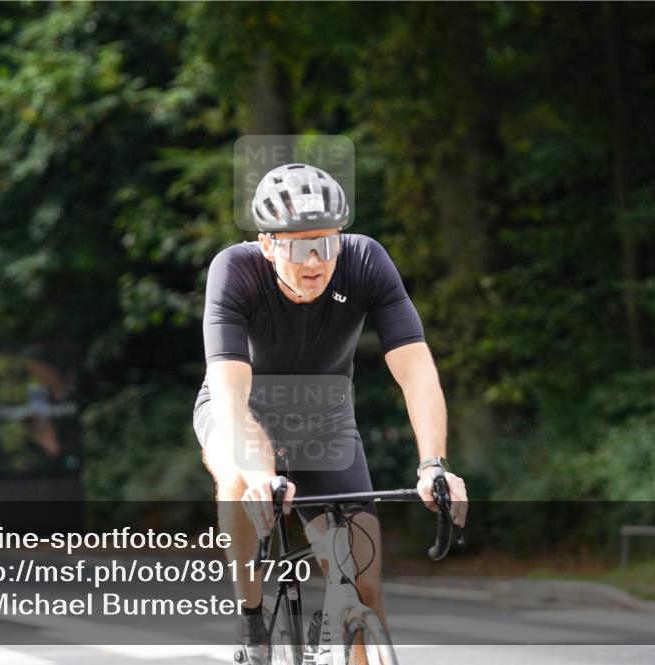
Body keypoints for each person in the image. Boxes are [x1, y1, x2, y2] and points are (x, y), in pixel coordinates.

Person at [193, 163, 468, 665]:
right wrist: (261, 476)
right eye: (299, 245)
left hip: (324, 419)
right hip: (240, 410)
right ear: (268, 243)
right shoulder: (233, 270)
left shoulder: (366, 261)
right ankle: (251, 615)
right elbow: (231, 398)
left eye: (327, 241)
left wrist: (434, 464)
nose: (315, 259)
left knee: (363, 587)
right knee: (238, 477)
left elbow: (417, 371)